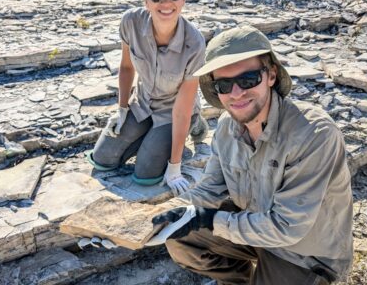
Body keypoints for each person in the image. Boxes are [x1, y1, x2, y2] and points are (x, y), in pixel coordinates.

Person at [151, 26, 353, 284]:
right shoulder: (226, 127)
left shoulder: (313, 134)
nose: (236, 93)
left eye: (248, 80)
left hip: (303, 253)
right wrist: (150, 221)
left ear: (271, 75)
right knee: (180, 237)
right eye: (224, 84)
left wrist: (211, 221)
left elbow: (286, 227)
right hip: (252, 230)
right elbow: (209, 190)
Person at [87, 0, 207, 195]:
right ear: (146, 0)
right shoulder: (130, 22)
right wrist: (121, 109)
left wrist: (174, 167)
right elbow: (125, 66)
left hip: (174, 111)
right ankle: (149, 136)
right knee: (103, 160)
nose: (165, 2)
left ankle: (196, 123)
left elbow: (181, 109)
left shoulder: (195, 43)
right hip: (141, 103)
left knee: (146, 175)